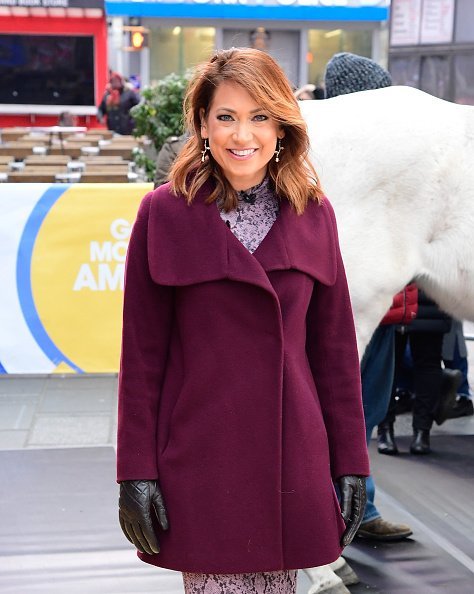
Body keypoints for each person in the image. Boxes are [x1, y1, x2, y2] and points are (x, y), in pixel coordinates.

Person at [117, 47, 369, 594]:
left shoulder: (314, 214)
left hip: (291, 458)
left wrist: (352, 462)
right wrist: (135, 470)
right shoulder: (164, 214)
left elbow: (334, 353)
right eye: (225, 116)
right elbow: (141, 358)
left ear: (282, 126)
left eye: (260, 116)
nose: (242, 134)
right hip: (202, 458)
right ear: (202, 125)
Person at [323, 51, 412, 543]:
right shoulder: (320, 152)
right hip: (341, 308)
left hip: (385, 304)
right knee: (340, 409)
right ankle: (339, 512)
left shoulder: (393, 152)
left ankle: (360, 508)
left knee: (368, 412)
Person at [97, 71, 139, 135]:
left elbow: (138, 106)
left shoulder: (129, 93)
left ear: (121, 81)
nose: (115, 83)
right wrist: (100, 118)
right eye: (113, 81)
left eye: (117, 80)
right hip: (112, 130)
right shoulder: (107, 95)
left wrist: (134, 120)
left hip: (127, 130)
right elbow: (101, 109)